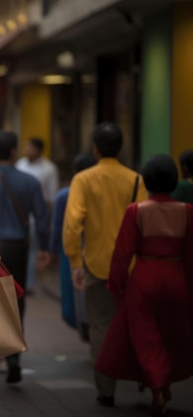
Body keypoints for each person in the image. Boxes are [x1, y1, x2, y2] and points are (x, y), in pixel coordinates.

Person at [95, 154, 193, 416]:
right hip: (176, 278)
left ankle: (158, 385)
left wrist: (117, 284)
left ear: (147, 180)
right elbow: (190, 255)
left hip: (144, 279)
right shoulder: (187, 211)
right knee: (170, 334)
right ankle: (162, 383)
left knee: (146, 337)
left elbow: (122, 253)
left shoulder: (136, 211)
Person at [63, 122, 149, 407]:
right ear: (120, 148)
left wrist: (75, 259)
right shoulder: (136, 180)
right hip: (132, 266)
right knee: (136, 324)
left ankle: (106, 389)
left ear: (95, 149)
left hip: (97, 263)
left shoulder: (84, 180)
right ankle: (144, 379)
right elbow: (144, 224)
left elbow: (73, 225)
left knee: (101, 326)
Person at [0, 131, 50, 384]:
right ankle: (14, 354)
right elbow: (41, 217)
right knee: (18, 300)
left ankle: (1, 351)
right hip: (18, 247)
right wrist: (44, 249)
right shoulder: (30, 181)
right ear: (14, 151)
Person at [50, 152, 96, 339]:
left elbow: (58, 227)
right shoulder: (99, 192)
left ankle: (86, 329)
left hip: (69, 250)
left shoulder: (64, 195)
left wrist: (52, 250)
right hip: (96, 248)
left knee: (73, 296)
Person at [16, 137, 59, 293]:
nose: (27, 150)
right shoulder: (20, 164)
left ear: (39, 150)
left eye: (31, 147)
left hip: (36, 215)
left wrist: (47, 220)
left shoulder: (49, 169)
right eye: (26, 147)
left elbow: (50, 197)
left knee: (33, 250)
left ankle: (28, 284)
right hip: (19, 215)